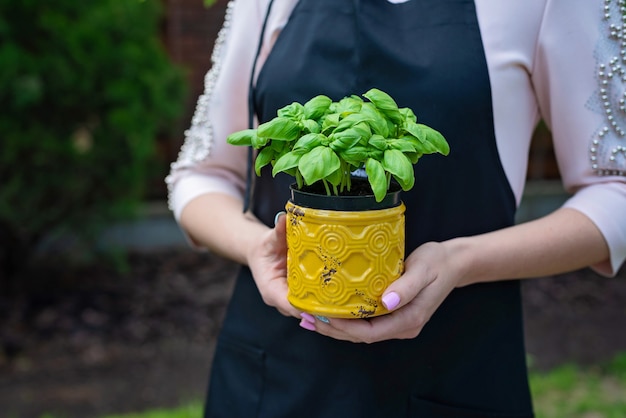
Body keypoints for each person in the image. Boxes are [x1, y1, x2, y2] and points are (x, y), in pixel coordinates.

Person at [166, 0, 626, 416]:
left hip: (454, 367)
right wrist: (257, 247)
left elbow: (616, 192)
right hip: (272, 374)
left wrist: (459, 260)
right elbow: (201, 175)